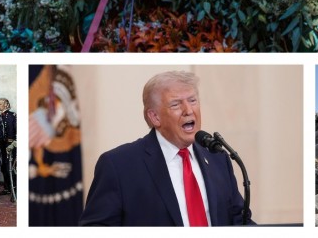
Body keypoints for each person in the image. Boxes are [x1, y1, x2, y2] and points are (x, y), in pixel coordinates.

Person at [79, 71, 250, 226]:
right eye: (176, 104)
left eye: (193, 101)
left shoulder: (217, 158)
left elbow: (239, 220)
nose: (188, 110)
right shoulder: (119, 166)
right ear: (154, 117)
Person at [0, 98, 17, 201]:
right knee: (4, 167)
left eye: (0, 104)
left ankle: (16, 191)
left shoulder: (13, 116)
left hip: (11, 145)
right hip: (2, 145)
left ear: (6, 105)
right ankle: (7, 188)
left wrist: (14, 144)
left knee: (12, 167)